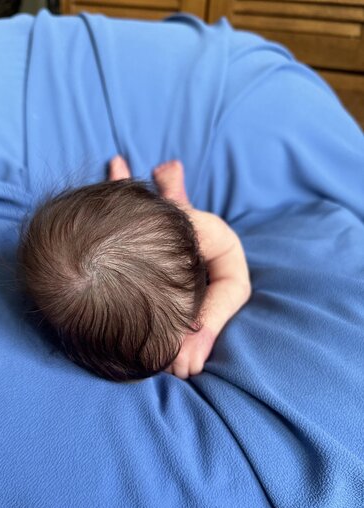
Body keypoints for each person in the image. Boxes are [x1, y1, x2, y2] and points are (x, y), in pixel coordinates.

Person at [16, 156, 251, 382]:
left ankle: (173, 200)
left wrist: (205, 330)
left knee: (170, 216)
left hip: (179, 228)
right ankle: (124, 200)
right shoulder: (59, 294)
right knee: (123, 230)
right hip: (130, 226)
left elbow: (234, 272)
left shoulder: (199, 234)